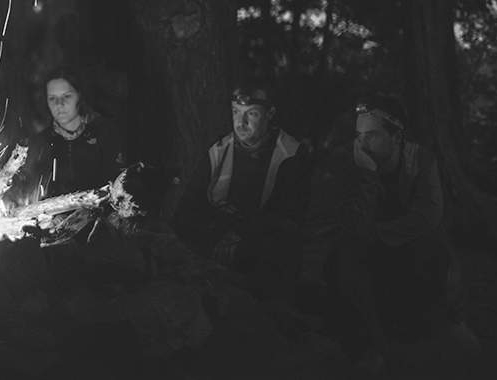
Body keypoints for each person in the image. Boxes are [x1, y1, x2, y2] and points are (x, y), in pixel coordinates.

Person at [319, 95, 452, 374]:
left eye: (372, 135)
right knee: (344, 254)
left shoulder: (421, 158)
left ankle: (433, 329)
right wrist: (367, 175)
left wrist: (378, 234)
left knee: (430, 243)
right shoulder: (351, 161)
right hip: (367, 254)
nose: (362, 144)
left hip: (400, 246)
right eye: (359, 135)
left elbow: (428, 215)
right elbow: (352, 226)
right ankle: (370, 348)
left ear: (397, 137)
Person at [173, 83, 311, 302]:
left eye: (251, 114)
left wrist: (240, 233)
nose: (241, 122)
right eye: (236, 112)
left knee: (280, 247)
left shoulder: (291, 155)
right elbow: (187, 208)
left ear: (270, 114)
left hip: (260, 246)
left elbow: (292, 219)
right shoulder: (219, 150)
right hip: (219, 240)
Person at [26, 67, 127, 198]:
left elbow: (117, 183)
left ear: (80, 95)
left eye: (66, 96)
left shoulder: (105, 133)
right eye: (52, 98)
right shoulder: (42, 142)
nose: (59, 104)